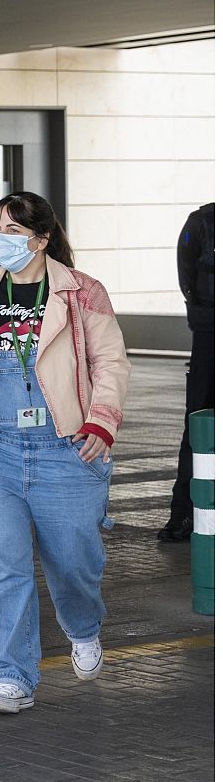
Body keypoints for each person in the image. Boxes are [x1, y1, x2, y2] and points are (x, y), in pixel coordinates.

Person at [0, 191, 130, 714]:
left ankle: (82, 625)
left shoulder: (82, 292)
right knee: (0, 569)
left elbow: (110, 362)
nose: (3, 241)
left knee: (73, 564)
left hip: (66, 446)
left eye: (15, 233)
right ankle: (14, 674)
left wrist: (102, 422)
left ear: (41, 240)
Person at [162, 203, 216, 542]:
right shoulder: (203, 222)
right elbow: (189, 281)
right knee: (199, 423)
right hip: (210, 336)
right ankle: (183, 513)